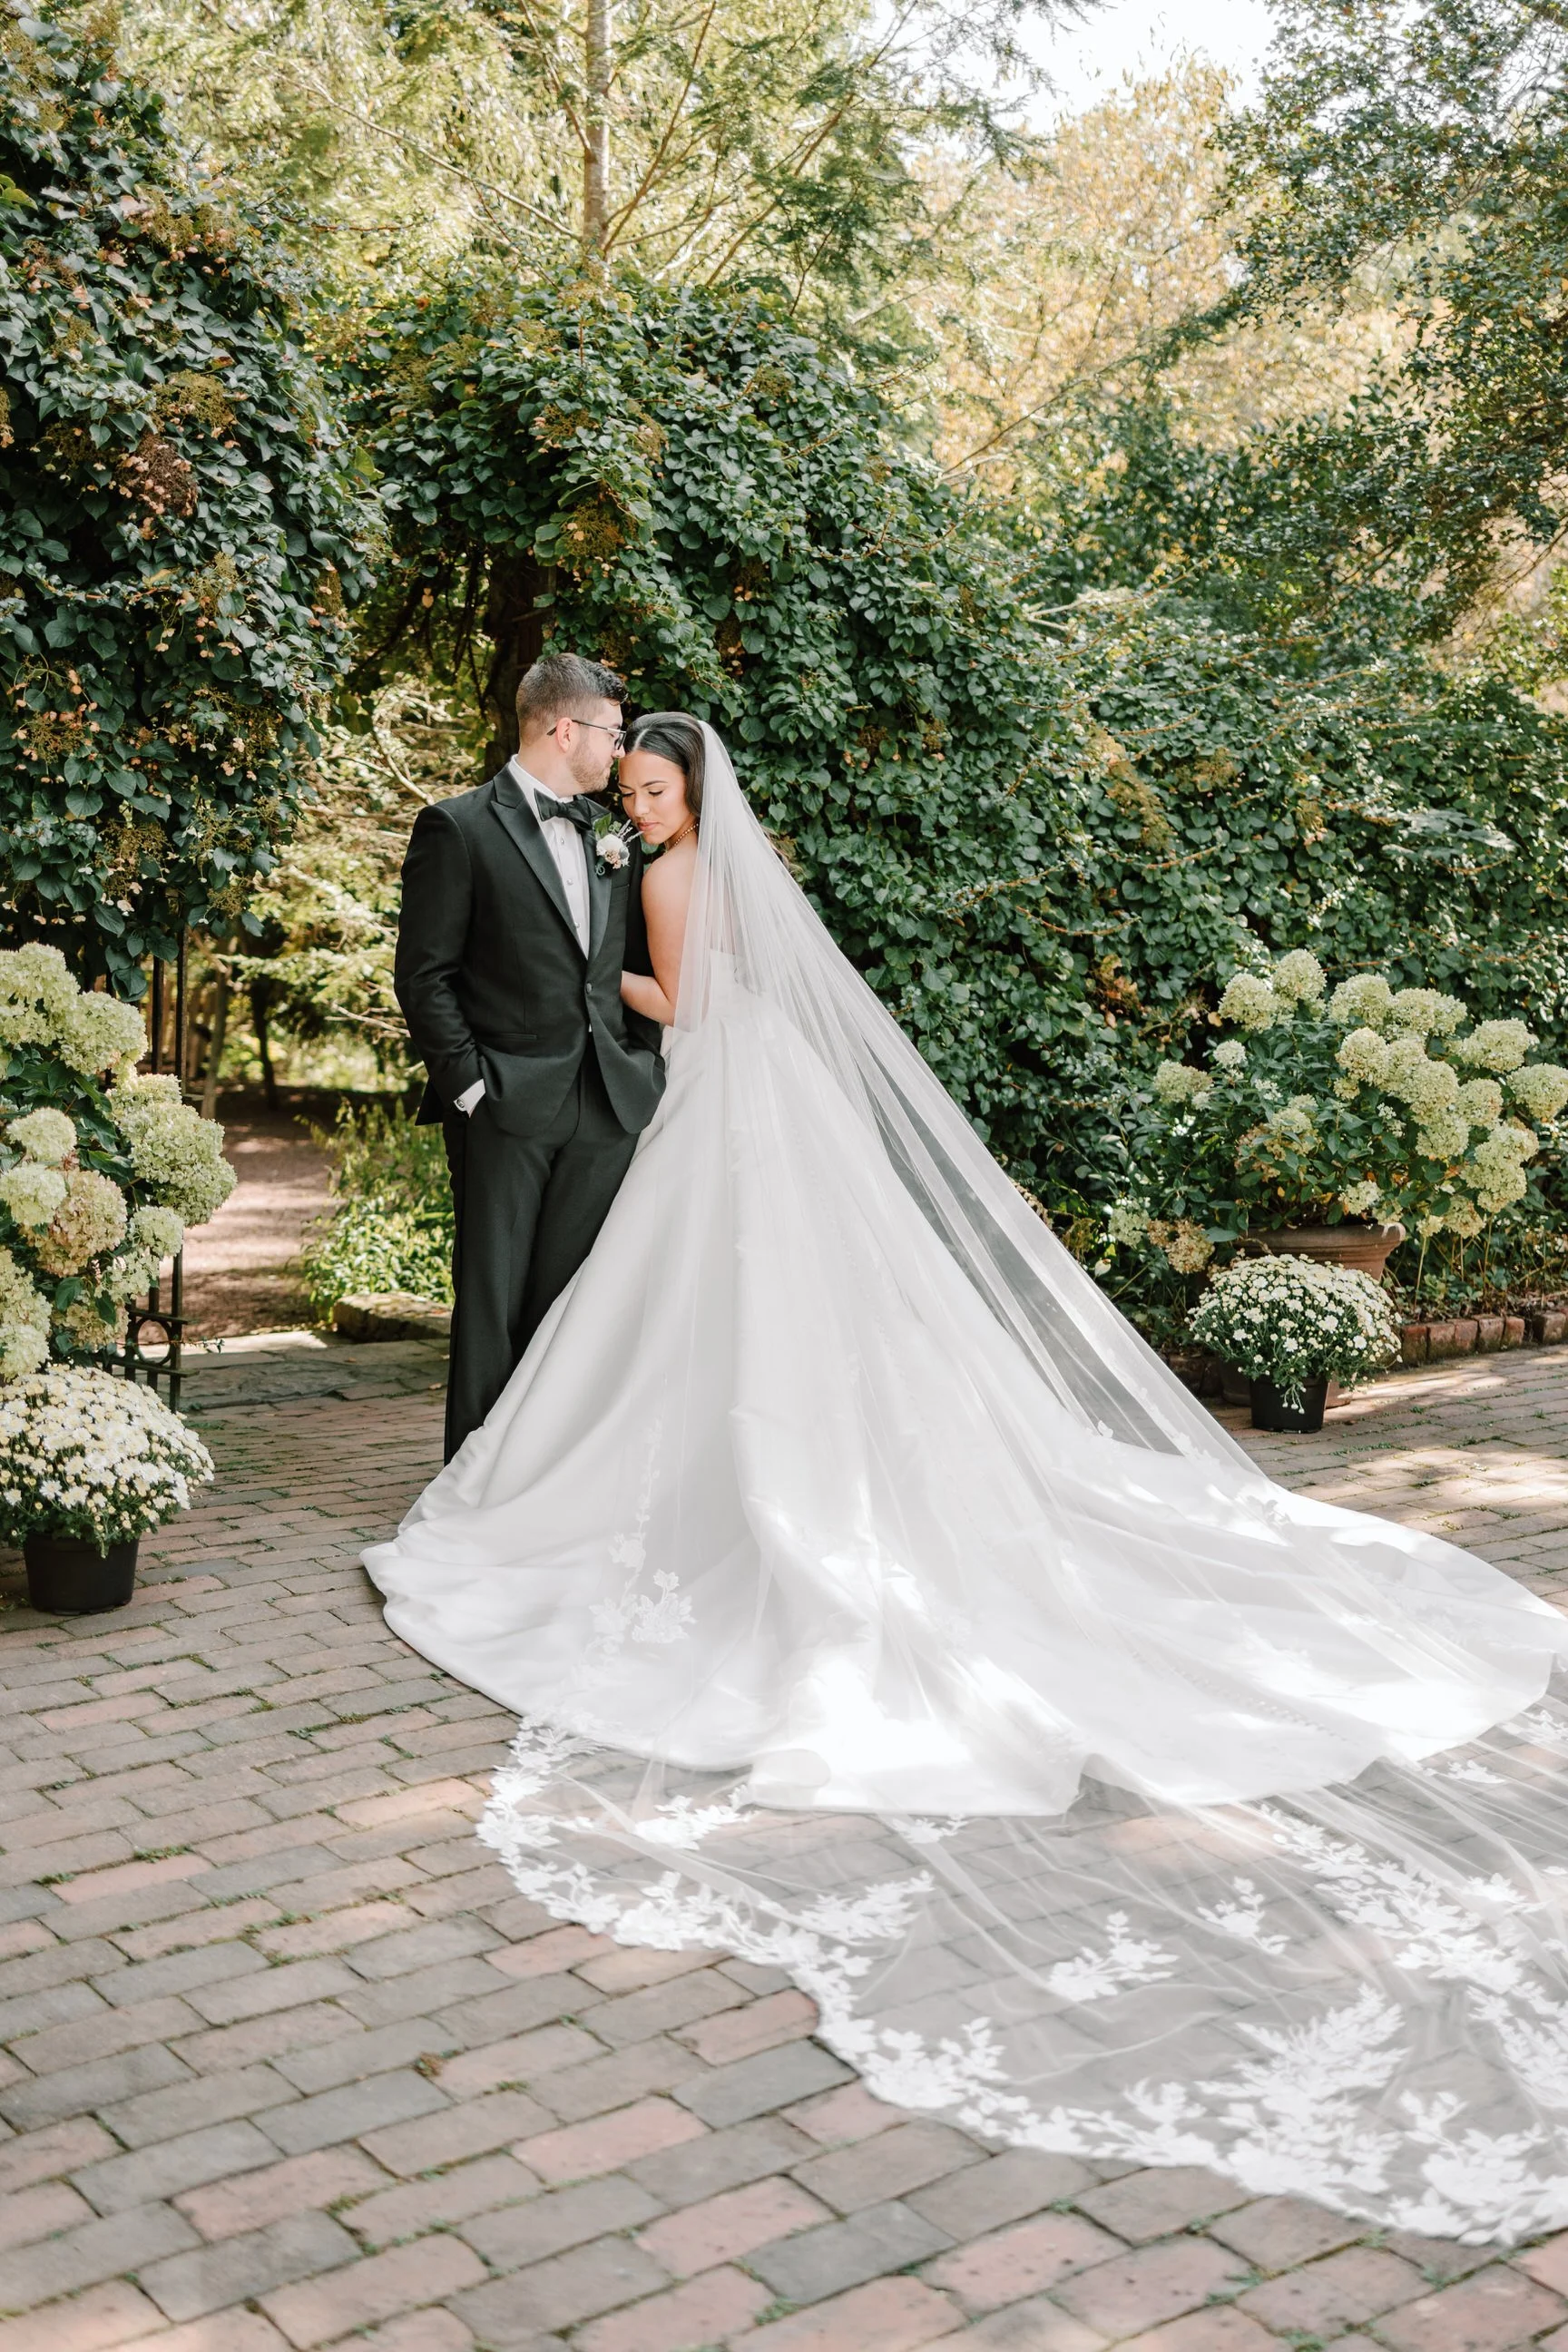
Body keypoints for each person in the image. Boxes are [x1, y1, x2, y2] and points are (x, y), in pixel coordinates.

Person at [369, 720, 1568, 2244]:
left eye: (654, 790)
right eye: (634, 789)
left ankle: (672, 1496)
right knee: (750, 1328)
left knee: (705, 1326)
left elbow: (679, 1001)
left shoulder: (666, 875)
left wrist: (594, 982)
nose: (637, 806)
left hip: (714, 1107)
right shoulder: (697, 858)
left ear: (684, 798)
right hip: (757, 1112)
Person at [393, 654, 664, 1459]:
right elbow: (424, 976)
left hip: (606, 1106)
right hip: (506, 1105)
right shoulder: (459, 827)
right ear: (564, 728)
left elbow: (631, 964)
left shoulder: (614, 837)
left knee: (571, 1309)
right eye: (612, 735)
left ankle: (541, 1483)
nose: (619, 754)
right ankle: (470, 1492)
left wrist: (639, 1062)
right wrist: (472, 1088)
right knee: (492, 1303)